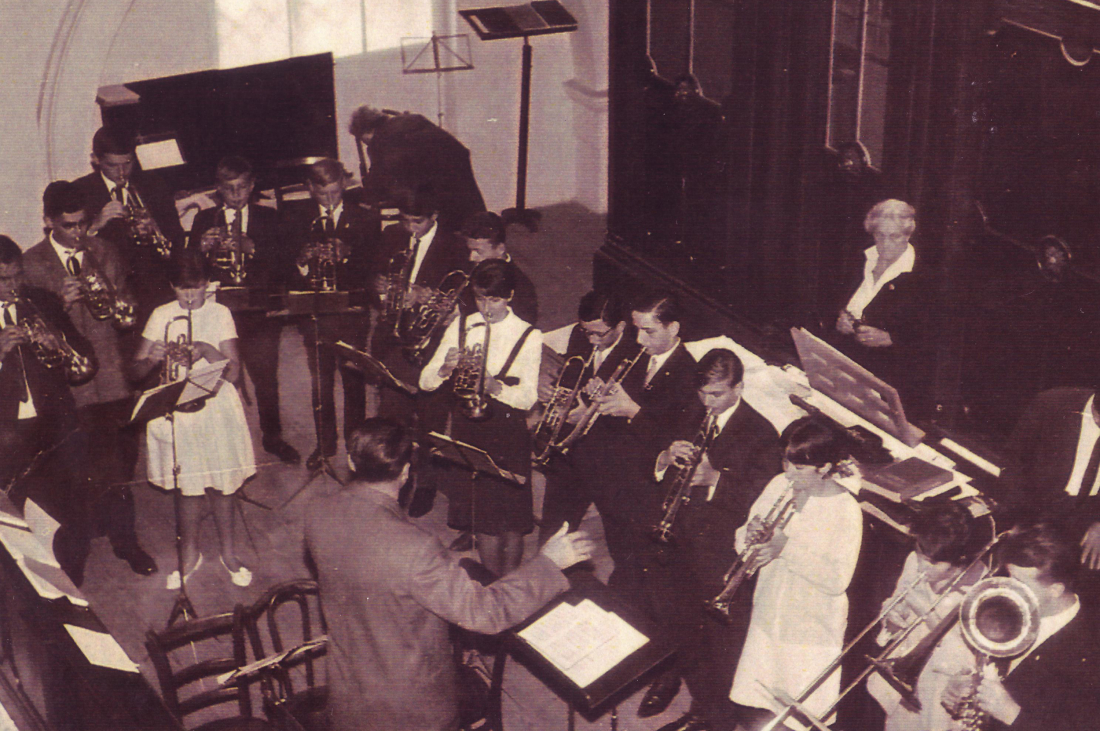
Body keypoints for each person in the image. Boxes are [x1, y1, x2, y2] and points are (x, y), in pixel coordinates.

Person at [304, 417, 595, 731]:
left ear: (351, 461)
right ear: (405, 473)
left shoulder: (319, 512)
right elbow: (485, 612)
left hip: (348, 693)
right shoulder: (415, 548)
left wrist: (440, 566)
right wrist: (549, 563)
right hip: (410, 712)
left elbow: (370, 564)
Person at [639, 349, 783, 731]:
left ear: (738, 387)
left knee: (721, 645)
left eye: (717, 395)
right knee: (680, 626)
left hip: (719, 552)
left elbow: (762, 500)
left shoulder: (763, 433)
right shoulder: (693, 410)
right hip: (676, 540)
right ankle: (699, 701)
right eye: (704, 394)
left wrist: (716, 478)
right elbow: (656, 458)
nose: (708, 403)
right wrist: (666, 457)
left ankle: (717, 718)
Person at [21, 181, 157, 577]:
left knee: (119, 467)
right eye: (68, 226)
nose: (78, 234)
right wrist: (58, 305)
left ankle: (126, 542)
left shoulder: (103, 251)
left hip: (112, 376)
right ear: (48, 222)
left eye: (82, 224)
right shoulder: (31, 265)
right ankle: (75, 559)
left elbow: (126, 308)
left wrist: (121, 303)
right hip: (69, 386)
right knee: (76, 472)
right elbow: (35, 332)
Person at [132, 250, 256, 589]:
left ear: (208, 285)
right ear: (172, 286)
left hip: (215, 406)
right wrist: (153, 359)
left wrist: (206, 349)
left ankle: (229, 553)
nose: (189, 296)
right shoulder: (161, 314)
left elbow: (233, 373)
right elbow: (135, 369)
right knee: (187, 486)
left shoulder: (220, 313)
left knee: (223, 484)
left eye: (197, 288)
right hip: (177, 409)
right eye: (182, 289)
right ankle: (190, 555)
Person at [729, 417, 863, 731]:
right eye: (785, 462)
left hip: (809, 634)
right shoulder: (780, 484)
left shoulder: (846, 511)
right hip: (768, 616)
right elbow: (743, 539)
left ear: (825, 468)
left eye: (798, 468)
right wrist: (748, 537)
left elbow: (837, 579)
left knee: (794, 721)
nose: (789, 473)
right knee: (754, 709)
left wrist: (785, 548)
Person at [420, 259, 542, 576]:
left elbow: (528, 397)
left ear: (510, 296)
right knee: (486, 520)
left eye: (495, 299)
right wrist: (446, 369)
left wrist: (494, 386)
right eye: (480, 297)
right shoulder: (462, 324)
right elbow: (425, 380)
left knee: (512, 521)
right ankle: (493, 585)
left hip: (508, 431)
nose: (486, 307)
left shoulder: (529, 335)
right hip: (469, 427)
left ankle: (510, 581)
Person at [922, 523, 1100, 730]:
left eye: (1019, 582)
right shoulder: (1009, 608)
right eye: (1009, 577)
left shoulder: (1091, 649)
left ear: (1055, 590)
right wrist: (960, 690)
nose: (1008, 588)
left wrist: (1013, 715)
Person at [581, 290, 697, 595]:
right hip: (615, 479)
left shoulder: (690, 375)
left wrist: (632, 411)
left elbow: (678, 441)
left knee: (641, 568)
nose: (641, 340)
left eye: (649, 331)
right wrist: (601, 391)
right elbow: (612, 395)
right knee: (620, 553)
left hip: (648, 489)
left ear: (673, 328)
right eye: (637, 330)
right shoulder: (634, 353)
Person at [189, 155, 299, 465]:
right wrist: (201, 249)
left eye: (242, 188)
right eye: (228, 189)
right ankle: (216, 438)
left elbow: (287, 266)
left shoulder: (271, 218)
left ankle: (273, 436)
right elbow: (188, 270)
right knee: (217, 374)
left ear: (252, 187)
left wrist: (255, 249)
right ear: (217, 190)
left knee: (265, 379)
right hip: (220, 311)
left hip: (258, 309)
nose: (236, 195)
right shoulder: (204, 220)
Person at [0, 235, 97, 585]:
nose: (14, 287)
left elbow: (84, 353)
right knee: (18, 513)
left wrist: (60, 343)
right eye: (3, 280)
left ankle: (71, 579)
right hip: (7, 430)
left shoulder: (40, 301)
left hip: (56, 418)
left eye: (17, 276)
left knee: (74, 498)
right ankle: (29, 582)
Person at [280, 158, 378, 471]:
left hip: (352, 313)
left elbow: (372, 270)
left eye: (335, 192)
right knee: (320, 384)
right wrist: (302, 259)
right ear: (310, 190)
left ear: (344, 185)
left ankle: (355, 446)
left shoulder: (366, 218)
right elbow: (288, 271)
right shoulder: (297, 218)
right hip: (316, 314)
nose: (330, 200)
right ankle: (325, 445)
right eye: (322, 195)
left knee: (353, 382)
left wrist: (348, 255)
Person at [867, 503, 986, 731]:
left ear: (960, 559)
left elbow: (967, 660)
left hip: (943, 688)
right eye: (921, 555)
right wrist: (891, 617)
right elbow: (897, 602)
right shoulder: (916, 559)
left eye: (933, 563)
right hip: (906, 675)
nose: (922, 566)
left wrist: (927, 613)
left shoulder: (979, 588)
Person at [537, 290, 637, 544]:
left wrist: (589, 417)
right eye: (587, 332)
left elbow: (633, 417)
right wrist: (557, 397)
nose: (592, 341)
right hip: (570, 451)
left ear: (621, 326)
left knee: (619, 533)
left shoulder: (637, 354)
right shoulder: (578, 336)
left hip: (609, 454)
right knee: (554, 530)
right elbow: (570, 380)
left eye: (599, 333)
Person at [371, 186, 467, 425]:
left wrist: (429, 297)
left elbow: (464, 296)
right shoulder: (391, 235)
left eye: (417, 222)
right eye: (405, 220)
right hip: (392, 333)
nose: (410, 229)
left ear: (434, 216)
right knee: (390, 410)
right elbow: (372, 278)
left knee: (429, 416)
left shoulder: (455, 246)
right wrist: (379, 287)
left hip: (430, 340)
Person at [73, 126, 185, 332]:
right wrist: (95, 225)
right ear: (95, 159)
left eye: (128, 163)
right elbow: (68, 246)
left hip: (153, 287)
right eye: (112, 166)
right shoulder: (79, 191)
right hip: (108, 292)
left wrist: (155, 229)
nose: (122, 173)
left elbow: (177, 238)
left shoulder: (154, 185)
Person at [833, 198, 927, 409]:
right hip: (845, 360)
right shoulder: (860, 258)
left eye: (894, 237)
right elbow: (829, 299)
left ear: (907, 235)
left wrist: (892, 339)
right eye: (879, 235)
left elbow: (934, 339)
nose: (885, 244)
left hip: (890, 376)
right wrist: (839, 319)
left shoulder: (924, 277)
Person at [349, 105, 486, 231]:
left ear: (367, 131)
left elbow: (379, 183)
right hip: (467, 196)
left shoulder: (383, 139)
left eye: (364, 140)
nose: (366, 145)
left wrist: (360, 195)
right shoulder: (415, 123)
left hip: (440, 206)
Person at [461, 211, 538, 325]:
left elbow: (518, 334)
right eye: (470, 250)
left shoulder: (522, 289)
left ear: (500, 248)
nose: (471, 257)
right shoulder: (473, 267)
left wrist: (461, 316)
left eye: (478, 251)